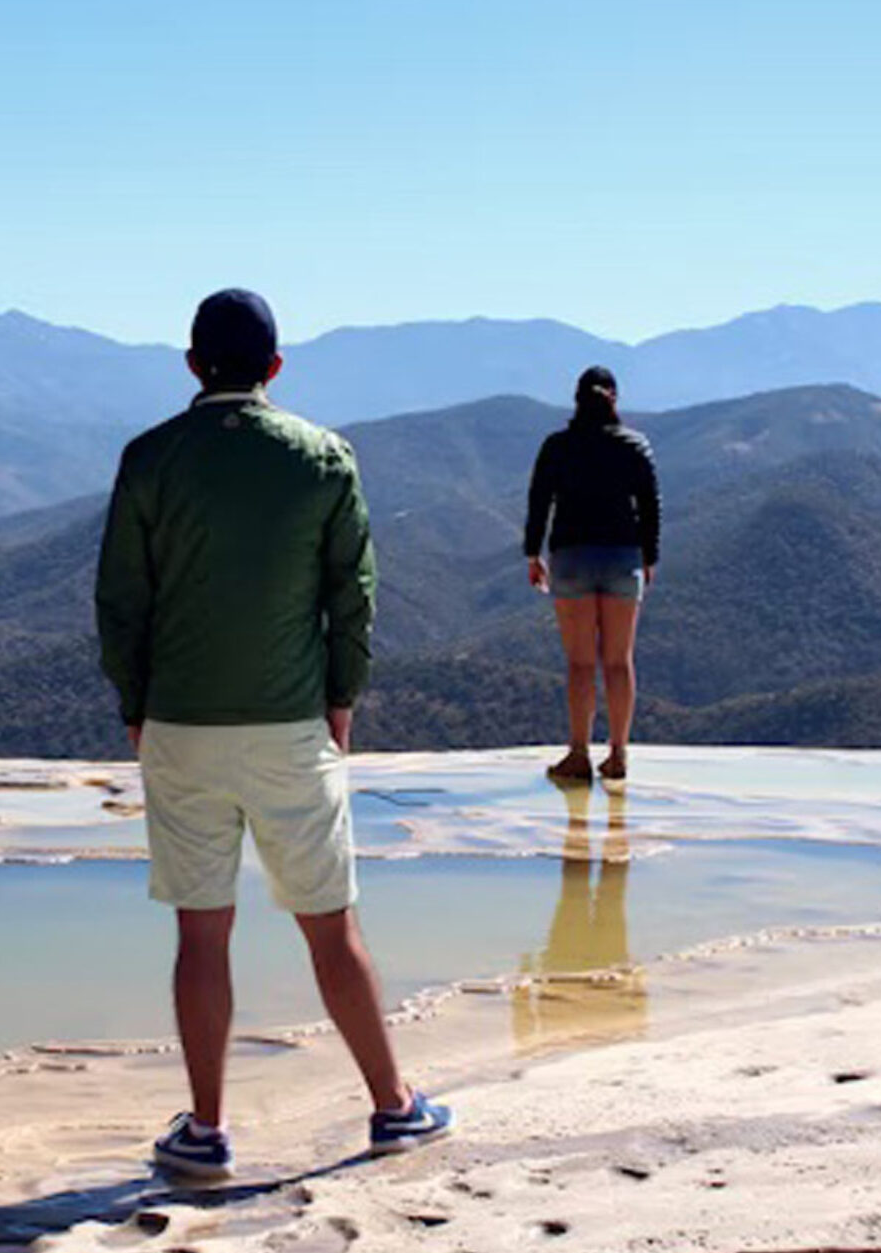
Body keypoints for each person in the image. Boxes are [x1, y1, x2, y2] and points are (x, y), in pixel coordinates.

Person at [95, 287, 452, 1179]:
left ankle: (206, 1130)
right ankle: (392, 1106)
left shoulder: (149, 458)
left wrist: (135, 701)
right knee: (332, 931)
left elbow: (120, 599)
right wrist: (343, 697)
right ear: (276, 369)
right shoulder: (325, 460)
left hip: (180, 720)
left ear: (190, 366)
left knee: (201, 935)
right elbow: (352, 597)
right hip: (293, 722)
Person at [523, 366, 661, 783]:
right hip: (624, 558)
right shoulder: (635, 446)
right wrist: (649, 558)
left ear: (576, 399)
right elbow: (651, 507)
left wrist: (533, 552)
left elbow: (539, 501)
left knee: (581, 664)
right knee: (619, 661)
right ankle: (618, 754)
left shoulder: (558, 446)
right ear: (613, 398)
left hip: (571, 558)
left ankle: (579, 754)